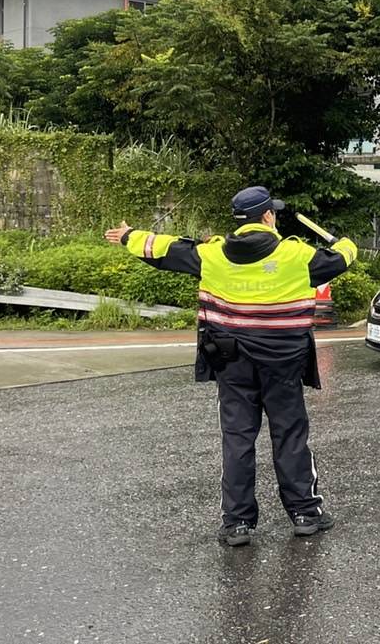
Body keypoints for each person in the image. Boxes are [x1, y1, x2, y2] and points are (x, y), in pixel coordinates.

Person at [104, 186, 358, 547]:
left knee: (237, 437)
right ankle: (305, 514)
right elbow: (341, 259)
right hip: (283, 363)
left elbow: (163, 249)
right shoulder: (295, 255)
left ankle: (237, 524)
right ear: (268, 216)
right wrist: (348, 243)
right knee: (290, 434)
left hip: (231, 360)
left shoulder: (212, 255)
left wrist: (129, 235)